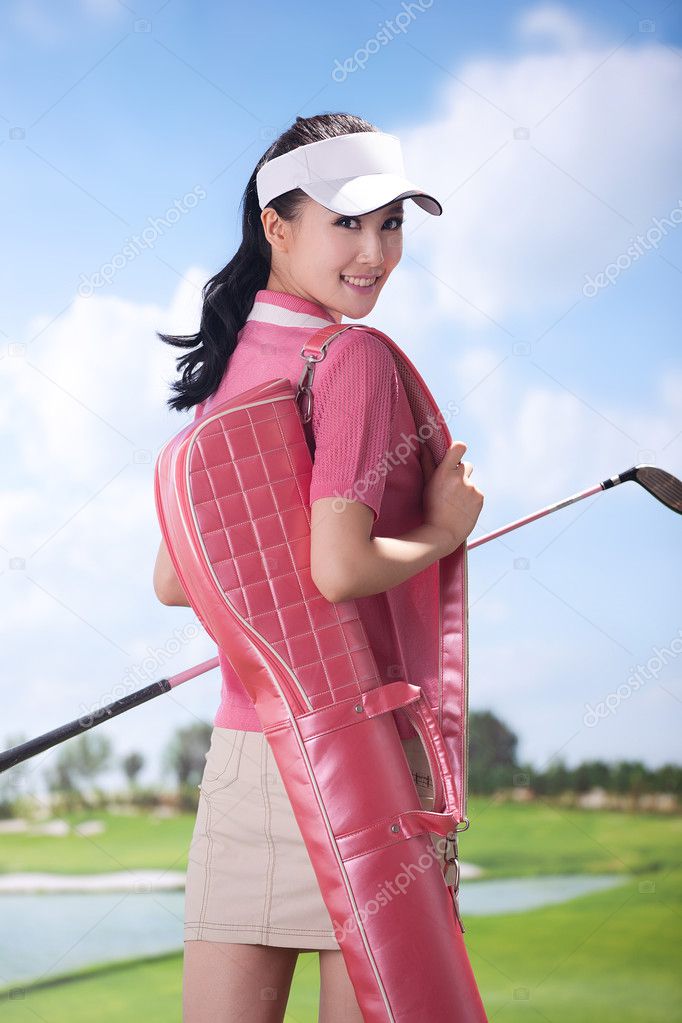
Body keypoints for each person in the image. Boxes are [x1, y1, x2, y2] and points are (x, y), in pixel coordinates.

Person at [153, 112, 484, 1023]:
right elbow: (339, 569)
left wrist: (263, 614)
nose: (374, 251)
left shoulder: (230, 365)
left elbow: (179, 578)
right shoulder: (353, 359)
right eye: (347, 220)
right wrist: (443, 530)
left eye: (393, 222)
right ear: (276, 225)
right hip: (360, 753)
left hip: (246, 748)